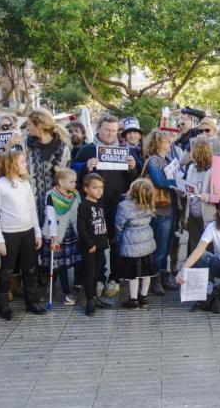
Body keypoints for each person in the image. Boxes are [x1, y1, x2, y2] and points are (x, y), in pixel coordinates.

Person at [75, 115, 138, 297]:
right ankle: (99, 278)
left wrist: (133, 167)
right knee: (97, 244)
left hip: (118, 206)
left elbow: (134, 181)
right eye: (107, 130)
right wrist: (85, 167)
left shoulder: (125, 150)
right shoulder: (87, 150)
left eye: (114, 130)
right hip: (94, 207)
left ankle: (115, 278)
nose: (111, 134)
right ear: (98, 129)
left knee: (117, 244)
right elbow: (74, 172)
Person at [0, 151, 45, 319]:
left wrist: (37, 232)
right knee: (7, 270)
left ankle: (32, 301)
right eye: (22, 162)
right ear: (11, 164)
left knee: (30, 268)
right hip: (9, 233)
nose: (25, 165)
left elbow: (32, 208)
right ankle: (3, 304)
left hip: (28, 231)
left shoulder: (25, 183)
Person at [176, 197, 220, 313]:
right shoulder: (212, 227)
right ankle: (206, 294)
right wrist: (182, 270)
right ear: (219, 212)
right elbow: (198, 251)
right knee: (202, 256)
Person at [142, 130, 179, 293]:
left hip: (170, 209)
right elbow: (160, 181)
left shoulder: (167, 159)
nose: (169, 143)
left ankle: (164, 277)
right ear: (158, 143)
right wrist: (178, 181)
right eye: (166, 141)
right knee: (160, 247)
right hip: (161, 209)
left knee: (167, 246)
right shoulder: (154, 161)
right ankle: (155, 279)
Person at [25, 108, 72, 231]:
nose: (27, 128)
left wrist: (60, 173)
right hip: (32, 205)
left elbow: (68, 179)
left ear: (40, 125)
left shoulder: (62, 148)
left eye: (29, 124)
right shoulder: (29, 147)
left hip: (56, 204)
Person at [42, 168, 82, 305]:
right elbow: (51, 218)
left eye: (75, 181)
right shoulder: (51, 196)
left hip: (72, 232)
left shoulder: (75, 195)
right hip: (57, 233)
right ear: (60, 182)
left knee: (77, 261)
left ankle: (75, 287)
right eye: (71, 182)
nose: (74, 184)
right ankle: (54, 287)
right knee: (57, 263)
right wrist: (54, 238)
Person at [116, 179, 157, 310]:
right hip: (147, 242)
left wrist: (118, 238)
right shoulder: (149, 203)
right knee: (146, 272)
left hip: (131, 244)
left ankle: (133, 300)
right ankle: (143, 298)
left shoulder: (124, 206)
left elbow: (119, 225)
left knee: (133, 274)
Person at [77, 173, 113, 315]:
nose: (99, 190)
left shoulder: (99, 203)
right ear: (86, 189)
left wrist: (105, 240)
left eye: (101, 187)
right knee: (90, 273)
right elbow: (81, 229)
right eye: (95, 187)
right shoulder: (84, 206)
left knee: (98, 272)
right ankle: (89, 301)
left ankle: (95, 297)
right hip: (90, 247)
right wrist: (89, 244)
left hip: (100, 244)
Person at [182, 139, 216, 252]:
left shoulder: (214, 170)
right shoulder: (192, 168)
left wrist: (209, 197)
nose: (192, 156)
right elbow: (188, 190)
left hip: (208, 216)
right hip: (192, 215)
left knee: (208, 248)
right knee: (194, 247)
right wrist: (182, 192)